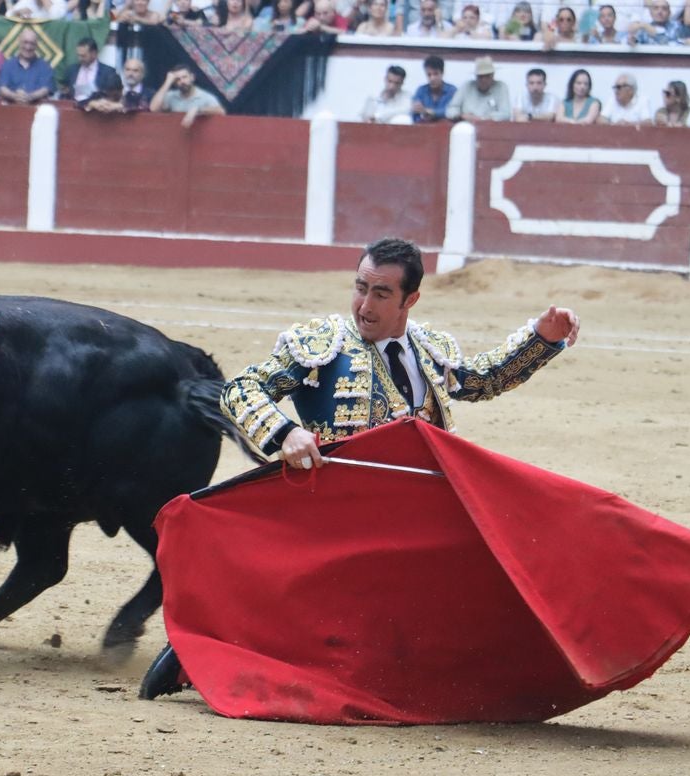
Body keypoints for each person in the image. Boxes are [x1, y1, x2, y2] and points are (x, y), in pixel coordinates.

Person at [138, 237, 579, 701]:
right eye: (360, 287)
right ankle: (197, 650)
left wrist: (541, 338)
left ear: (411, 300)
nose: (364, 305)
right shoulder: (322, 345)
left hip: (413, 514)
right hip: (336, 513)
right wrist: (284, 433)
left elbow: (481, 380)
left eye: (381, 293)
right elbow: (241, 390)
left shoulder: (429, 348)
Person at [151, 64, 226, 128]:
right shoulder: (171, 96)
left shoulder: (204, 96)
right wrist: (168, 82)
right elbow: (154, 108)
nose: (182, 81)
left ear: (192, 77)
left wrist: (197, 110)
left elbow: (221, 111)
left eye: (184, 77)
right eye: (177, 79)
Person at [0, 29, 55, 105]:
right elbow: (2, 88)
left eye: (32, 43)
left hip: (37, 109)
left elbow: (46, 89)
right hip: (10, 110)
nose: (28, 47)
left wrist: (30, 97)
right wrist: (15, 96)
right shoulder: (8, 65)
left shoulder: (45, 66)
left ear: (37, 45)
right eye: (25, 42)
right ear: (19, 42)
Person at [445, 55, 510, 122]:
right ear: (476, 76)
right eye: (480, 76)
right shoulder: (466, 86)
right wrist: (460, 115)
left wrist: (483, 119)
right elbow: (451, 109)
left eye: (487, 76)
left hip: (492, 127)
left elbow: (506, 114)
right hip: (466, 126)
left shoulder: (501, 87)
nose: (484, 80)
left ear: (493, 75)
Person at [61, 37, 118, 103]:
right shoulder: (71, 70)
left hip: (97, 109)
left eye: (83, 56)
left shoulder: (108, 72)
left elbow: (111, 95)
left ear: (94, 54)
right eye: (78, 55)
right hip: (74, 107)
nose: (80, 59)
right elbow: (65, 90)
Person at [411, 55, 455, 122]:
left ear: (442, 73)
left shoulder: (452, 91)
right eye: (429, 74)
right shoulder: (421, 90)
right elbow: (415, 114)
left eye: (436, 74)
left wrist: (432, 112)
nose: (432, 78)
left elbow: (453, 112)